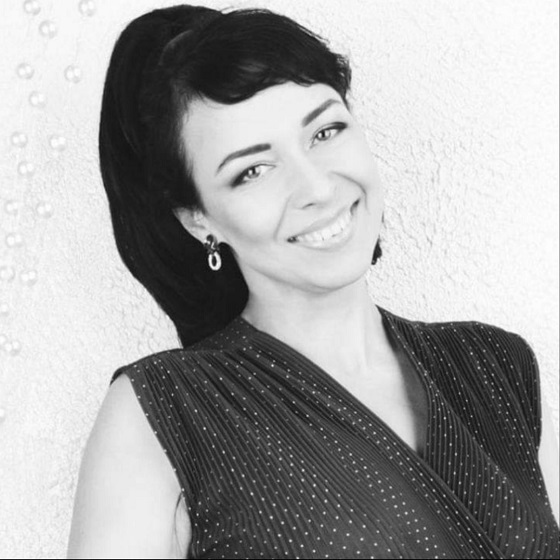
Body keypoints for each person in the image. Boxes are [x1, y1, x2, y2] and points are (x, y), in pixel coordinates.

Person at [67, 4, 559, 559]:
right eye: (253, 171)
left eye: (325, 131)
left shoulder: (497, 365)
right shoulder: (163, 411)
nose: (317, 188)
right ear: (198, 219)